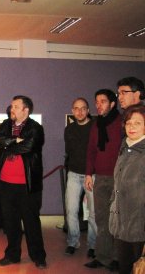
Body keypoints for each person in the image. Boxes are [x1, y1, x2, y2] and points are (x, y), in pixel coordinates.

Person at [0, 95, 47, 269]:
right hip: (5, 184)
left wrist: (7, 144)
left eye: (15, 106)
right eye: (11, 106)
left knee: (31, 222)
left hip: (27, 185)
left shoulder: (35, 128)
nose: (11, 109)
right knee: (10, 221)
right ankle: (12, 255)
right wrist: (15, 140)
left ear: (26, 110)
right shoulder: (5, 125)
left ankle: (38, 256)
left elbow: (29, 147)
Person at [84, 89, 122, 270]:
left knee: (117, 219)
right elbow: (91, 150)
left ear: (112, 103)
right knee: (101, 219)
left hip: (118, 178)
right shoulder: (96, 124)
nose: (98, 105)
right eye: (96, 102)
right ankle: (102, 256)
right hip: (100, 178)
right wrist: (88, 174)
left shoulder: (122, 123)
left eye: (103, 101)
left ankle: (117, 258)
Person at [109, 104, 145, 274]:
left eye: (137, 123)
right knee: (124, 268)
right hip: (121, 224)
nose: (131, 127)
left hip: (140, 226)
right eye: (129, 122)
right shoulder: (125, 147)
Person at [64, 98, 97, 258]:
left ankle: (93, 245)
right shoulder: (69, 129)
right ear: (72, 110)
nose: (80, 112)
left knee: (93, 213)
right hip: (73, 174)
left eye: (83, 108)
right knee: (71, 210)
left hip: (92, 175)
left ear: (88, 110)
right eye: (76, 108)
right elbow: (69, 151)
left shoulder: (95, 128)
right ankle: (72, 242)